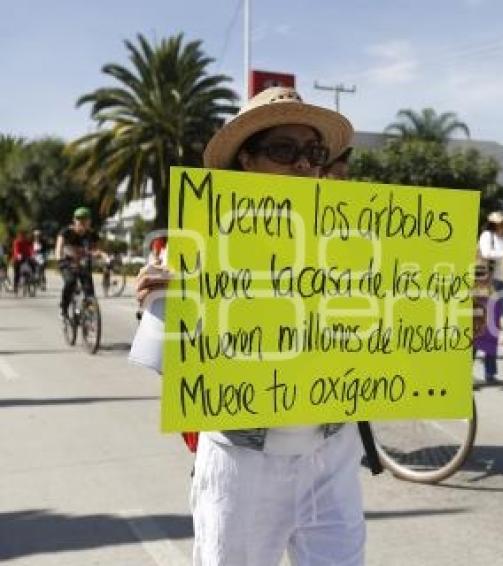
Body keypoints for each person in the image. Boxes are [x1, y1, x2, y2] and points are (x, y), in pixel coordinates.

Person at [134, 86, 372, 566]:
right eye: (284, 150)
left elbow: (393, 342)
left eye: (314, 153)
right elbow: (170, 364)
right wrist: (164, 305)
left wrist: (454, 310)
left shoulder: (356, 239)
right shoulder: (197, 238)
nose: (304, 165)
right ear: (246, 160)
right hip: (243, 460)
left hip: (333, 452)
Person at [478, 211, 503, 343]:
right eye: (500, 223)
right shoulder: (487, 235)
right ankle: (484, 333)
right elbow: (486, 253)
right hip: (490, 277)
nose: (502, 225)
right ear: (493, 224)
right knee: (489, 307)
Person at [55, 207, 102, 318]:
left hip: (84, 264)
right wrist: (59, 259)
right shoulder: (66, 232)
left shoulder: (92, 234)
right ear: (74, 221)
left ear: (89, 222)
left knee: (89, 290)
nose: (82, 223)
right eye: (79, 220)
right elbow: (59, 247)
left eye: (85, 220)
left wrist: (98, 255)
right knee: (70, 282)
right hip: (67, 263)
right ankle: (64, 308)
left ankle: (89, 313)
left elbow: (96, 250)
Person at [472, 261, 502, 385]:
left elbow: (497, 307)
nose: (488, 277)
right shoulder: (474, 289)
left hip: (489, 327)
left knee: (490, 350)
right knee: (472, 349)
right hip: (477, 324)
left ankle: (490, 374)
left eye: (489, 274)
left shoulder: (491, 290)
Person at [11, 228, 34, 295]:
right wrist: (18, 255)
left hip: (26, 258)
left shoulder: (27, 242)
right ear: (19, 235)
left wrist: (32, 255)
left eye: (24, 235)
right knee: (17, 273)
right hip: (18, 259)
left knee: (32, 265)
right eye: (21, 235)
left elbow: (30, 249)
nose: (23, 236)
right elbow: (16, 250)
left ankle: (33, 279)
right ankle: (15, 286)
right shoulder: (17, 242)